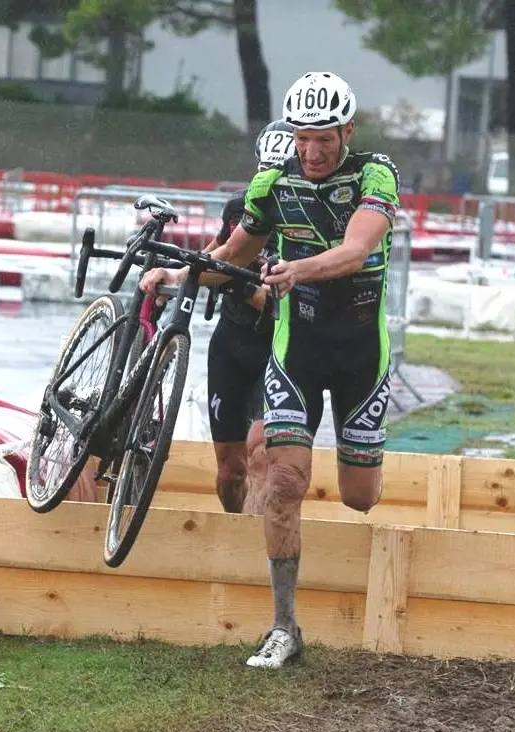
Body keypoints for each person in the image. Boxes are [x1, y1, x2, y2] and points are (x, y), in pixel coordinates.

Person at [139, 71, 400, 668]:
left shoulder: (374, 173)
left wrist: (297, 270)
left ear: (347, 133)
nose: (311, 151)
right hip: (296, 351)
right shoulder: (271, 185)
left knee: (361, 497)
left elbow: (358, 250)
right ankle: (284, 627)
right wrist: (177, 276)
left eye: (325, 139)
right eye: (303, 138)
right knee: (282, 482)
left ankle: (364, 464)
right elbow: (234, 257)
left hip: (362, 353)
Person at [204, 119, 296, 515]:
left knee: (260, 456)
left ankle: (254, 550)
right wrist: (173, 272)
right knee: (230, 470)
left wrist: (247, 288)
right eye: (264, 174)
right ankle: (233, 528)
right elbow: (214, 257)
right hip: (231, 341)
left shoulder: (305, 220)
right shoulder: (238, 207)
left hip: (276, 349)